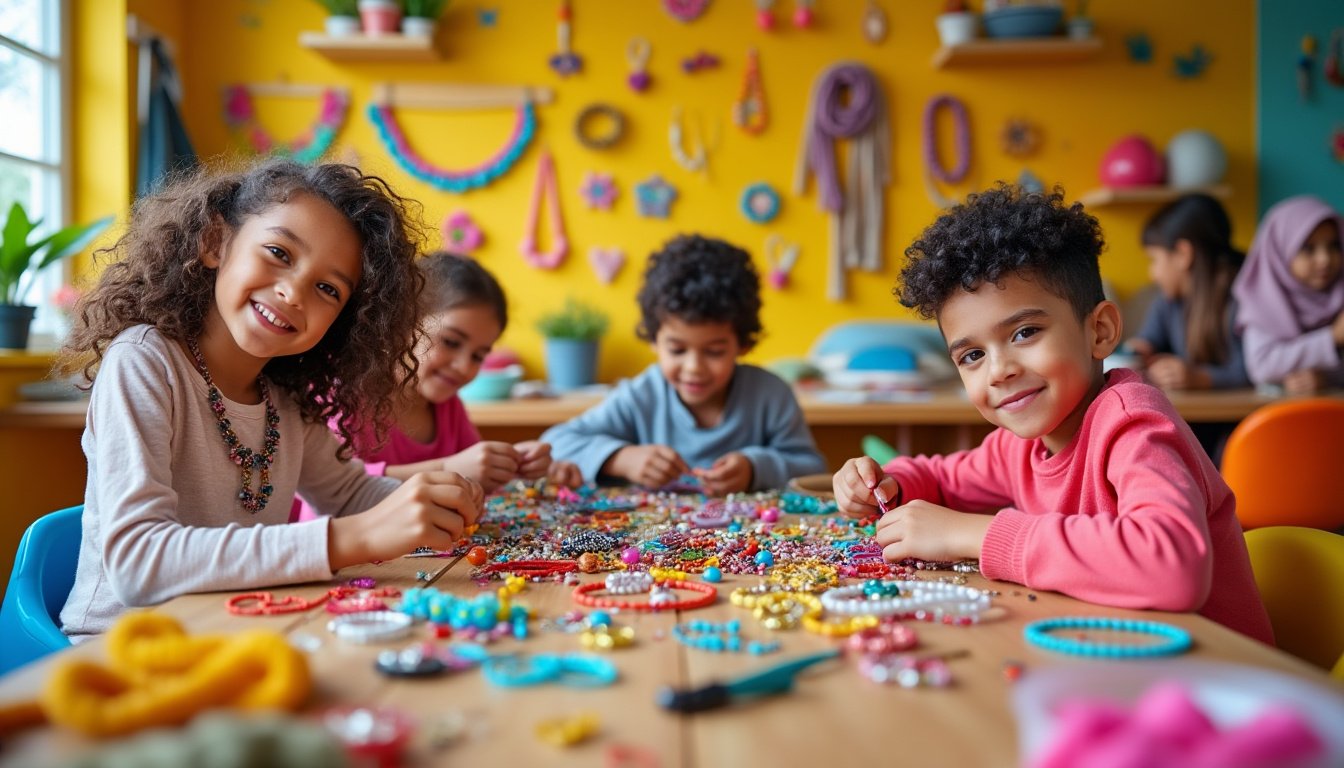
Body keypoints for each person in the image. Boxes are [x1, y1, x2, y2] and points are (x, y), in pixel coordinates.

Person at [56, 160, 484, 640]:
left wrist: (432, 502)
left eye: (328, 288)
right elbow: (139, 563)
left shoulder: (284, 396)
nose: (293, 291)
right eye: (279, 252)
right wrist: (357, 537)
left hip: (243, 636)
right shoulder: (144, 362)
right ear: (215, 242)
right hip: (121, 650)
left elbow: (347, 494)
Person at [831, 185, 1272, 644]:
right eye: (972, 356)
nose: (999, 371)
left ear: (1099, 331)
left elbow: (1172, 567)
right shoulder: (1017, 445)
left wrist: (978, 536)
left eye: (1025, 332)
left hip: (1220, 681)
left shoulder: (1133, 424)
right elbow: (940, 481)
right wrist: (885, 484)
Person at [296, 252, 580, 525]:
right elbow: (332, 495)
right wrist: (447, 469)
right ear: (401, 322)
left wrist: (517, 468)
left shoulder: (448, 406)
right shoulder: (342, 397)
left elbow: (473, 477)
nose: (463, 366)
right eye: (452, 342)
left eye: (478, 356)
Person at [542, 234, 826, 495]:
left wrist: (754, 468)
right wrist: (622, 459)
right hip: (652, 543)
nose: (694, 367)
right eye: (677, 349)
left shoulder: (770, 395)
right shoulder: (642, 396)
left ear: (742, 345)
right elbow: (555, 444)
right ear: (654, 339)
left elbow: (812, 467)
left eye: (714, 351)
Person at [1127, 194, 1249, 391]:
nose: (1152, 274)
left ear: (1183, 254)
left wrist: (1198, 378)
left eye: (1154, 260)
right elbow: (1148, 341)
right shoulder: (1167, 301)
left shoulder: (1242, 300)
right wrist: (1136, 352)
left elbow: (1251, 371)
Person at [1232, 195, 1344, 394]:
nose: (1325, 259)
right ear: (1279, 252)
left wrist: (1326, 378)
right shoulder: (1262, 301)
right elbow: (1262, 366)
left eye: (1333, 246)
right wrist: (1332, 337)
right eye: (1309, 249)